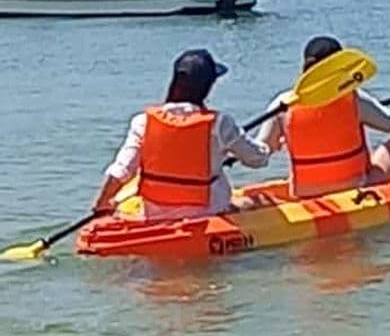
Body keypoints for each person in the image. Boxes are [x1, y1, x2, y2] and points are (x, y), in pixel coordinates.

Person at [93, 49, 272, 219]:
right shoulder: (220, 124)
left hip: (154, 215)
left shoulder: (143, 122)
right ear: (208, 87)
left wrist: (102, 204)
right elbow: (257, 160)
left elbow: (122, 170)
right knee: (260, 201)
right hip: (209, 213)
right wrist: (265, 145)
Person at [257, 36, 390, 199]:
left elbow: (261, 153)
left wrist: (280, 140)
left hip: (304, 192)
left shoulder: (282, 104)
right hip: (356, 187)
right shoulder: (354, 98)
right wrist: (370, 106)